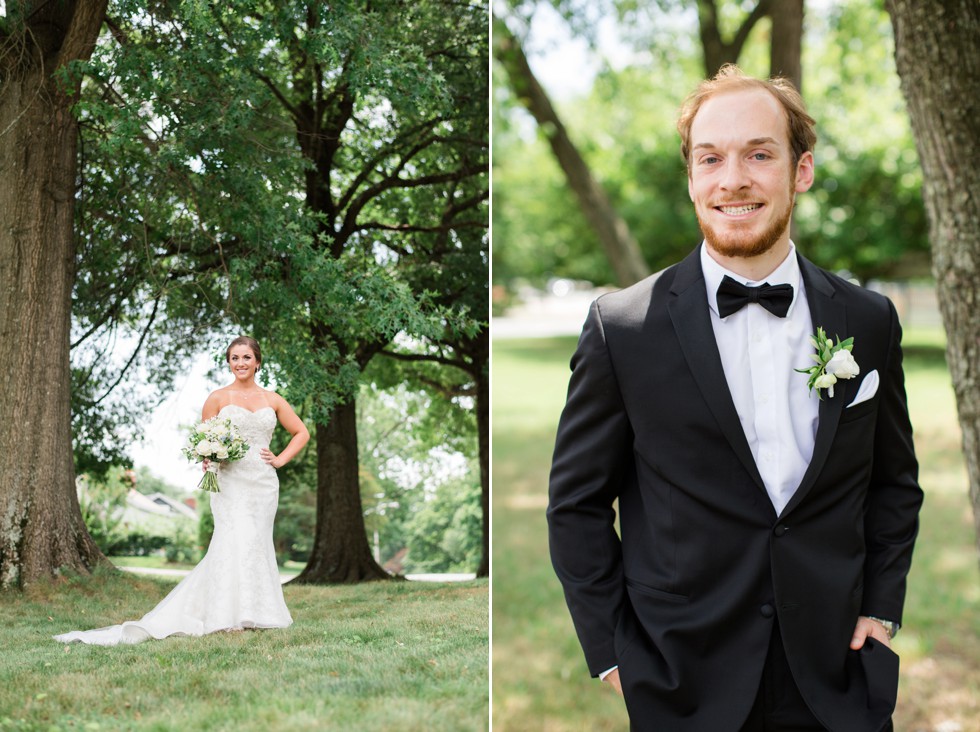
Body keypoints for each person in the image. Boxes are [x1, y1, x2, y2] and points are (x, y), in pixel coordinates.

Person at [547, 65, 922, 732]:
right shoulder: (623, 328)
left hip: (836, 676)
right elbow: (575, 505)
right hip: (682, 681)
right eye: (710, 158)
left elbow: (894, 483)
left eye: (759, 154)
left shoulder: (868, 321)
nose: (733, 179)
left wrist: (881, 606)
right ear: (691, 176)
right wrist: (612, 653)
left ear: (801, 171)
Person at [55, 336, 310, 646]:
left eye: (246, 357)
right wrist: (210, 459)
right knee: (232, 540)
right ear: (229, 363)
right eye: (234, 358)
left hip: (263, 483)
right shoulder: (217, 398)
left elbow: (301, 432)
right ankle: (225, 614)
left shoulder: (273, 399)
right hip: (229, 482)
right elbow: (206, 439)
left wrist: (280, 459)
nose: (240, 363)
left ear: (257, 361)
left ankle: (257, 611)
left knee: (255, 542)